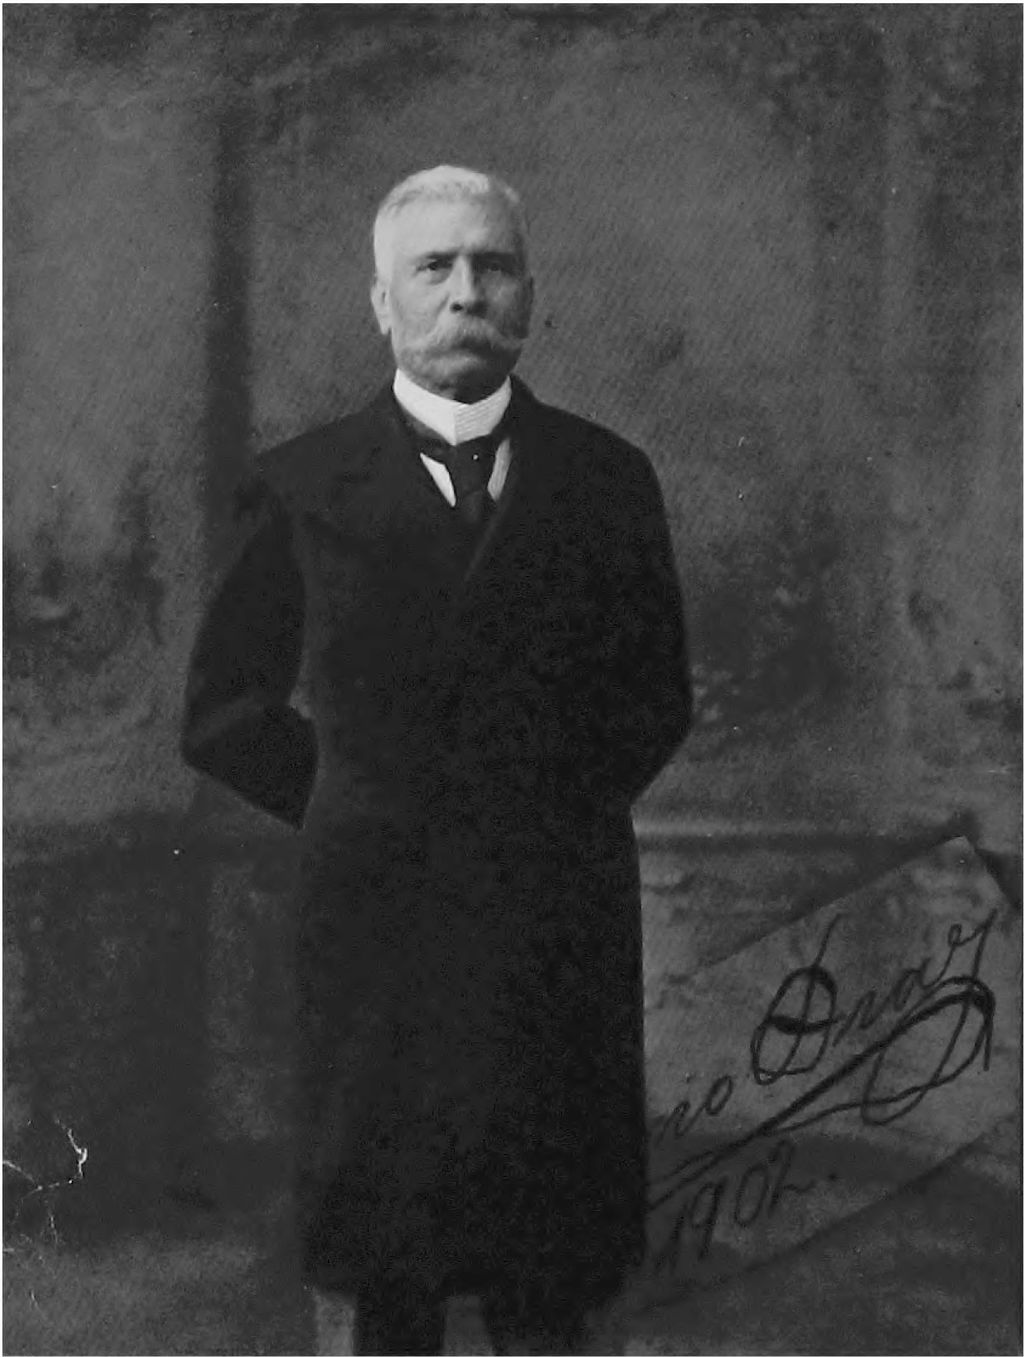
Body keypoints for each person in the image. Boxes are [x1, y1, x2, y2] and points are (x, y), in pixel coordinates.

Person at [182, 165, 692, 1355]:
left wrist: (541, 807)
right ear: (382, 302)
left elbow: (654, 694)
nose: (466, 292)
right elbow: (222, 711)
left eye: (492, 266)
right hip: (377, 923)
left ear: (529, 297)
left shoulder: (607, 478)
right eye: (433, 268)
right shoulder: (300, 484)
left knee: (553, 1262)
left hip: (555, 912)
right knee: (384, 1256)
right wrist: (356, 799)